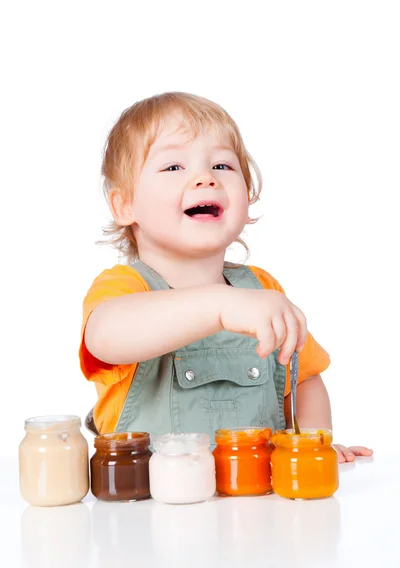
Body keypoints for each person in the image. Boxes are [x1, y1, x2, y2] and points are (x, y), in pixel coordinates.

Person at [80, 91, 373, 463]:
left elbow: (303, 379)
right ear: (125, 205)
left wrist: (313, 443)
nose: (205, 178)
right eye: (173, 167)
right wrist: (219, 305)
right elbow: (106, 337)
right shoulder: (124, 289)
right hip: (151, 510)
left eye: (222, 166)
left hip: (257, 508)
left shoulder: (262, 290)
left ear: (247, 196)